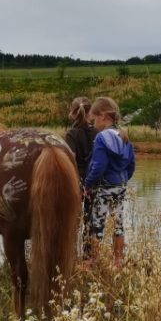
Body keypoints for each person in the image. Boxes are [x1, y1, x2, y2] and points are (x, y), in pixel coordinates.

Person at [83, 97, 135, 269]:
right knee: (118, 224)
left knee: (97, 223)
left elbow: (98, 166)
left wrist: (88, 185)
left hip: (104, 187)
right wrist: (122, 181)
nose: (93, 123)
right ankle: (118, 261)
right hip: (120, 186)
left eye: (94, 119)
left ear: (103, 116)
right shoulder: (123, 135)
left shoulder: (101, 138)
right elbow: (131, 165)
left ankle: (94, 261)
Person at [65, 96, 98, 259]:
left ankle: (71, 254)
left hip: (77, 182)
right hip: (94, 181)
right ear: (90, 113)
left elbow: (72, 159)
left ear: (72, 113)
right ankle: (89, 255)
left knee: (74, 220)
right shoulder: (97, 132)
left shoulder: (71, 134)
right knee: (90, 220)